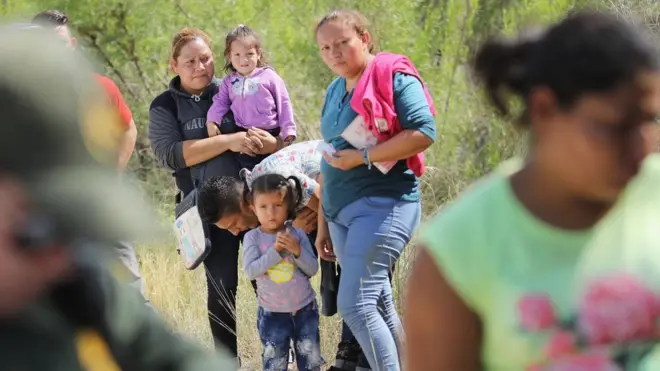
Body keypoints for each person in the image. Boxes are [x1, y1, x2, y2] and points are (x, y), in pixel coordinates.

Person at [405, 11, 660, 371]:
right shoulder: (459, 249)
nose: (641, 149)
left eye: (649, 121)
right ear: (544, 109)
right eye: (615, 127)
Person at [0, 23, 236, 370]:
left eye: (80, 227)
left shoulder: (78, 287)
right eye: (39, 231)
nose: (63, 257)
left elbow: (172, 355)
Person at [148, 27, 281, 358]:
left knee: (268, 281)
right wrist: (227, 141)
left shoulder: (234, 88)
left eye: (205, 58)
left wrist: (273, 142)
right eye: (190, 61)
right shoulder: (164, 105)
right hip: (207, 215)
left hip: (254, 209)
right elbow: (171, 154)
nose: (200, 67)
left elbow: (270, 129)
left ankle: (280, 356)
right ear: (174, 65)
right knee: (222, 289)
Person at [315, 9, 436, 371]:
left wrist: (363, 157)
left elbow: (423, 132)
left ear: (364, 38)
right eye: (325, 47)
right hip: (339, 214)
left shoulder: (392, 76)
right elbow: (330, 154)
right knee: (378, 304)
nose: (334, 53)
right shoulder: (336, 88)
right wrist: (323, 221)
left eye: (342, 43)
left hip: (384, 205)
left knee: (355, 305)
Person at [197, 140, 384, 370]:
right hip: (345, 201)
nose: (236, 232)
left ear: (246, 205)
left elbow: (324, 195)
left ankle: (364, 359)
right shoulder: (263, 196)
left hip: (364, 186)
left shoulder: (273, 180)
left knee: (361, 289)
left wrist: (316, 223)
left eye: (233, 224)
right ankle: (352, 356)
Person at [31, 9, 147, 301]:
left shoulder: (101, 86)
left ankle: (132, 339)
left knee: (129, 287)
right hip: (47, 212)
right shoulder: (23, 95)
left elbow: (128, 130)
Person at [242, 173, 324, 371]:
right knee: (274, 364)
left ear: (288, 206)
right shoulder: (252, 238)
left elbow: (312, 269)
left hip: (304, 310)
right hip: (272, 314)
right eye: (263, 207)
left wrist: (297, 251)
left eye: (277, 205)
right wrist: (276, 253)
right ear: (253, 208)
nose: (271, 213)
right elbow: (251, 271)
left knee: (310, 363)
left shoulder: (297, 233)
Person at [206, 24, 296, 171]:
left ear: (258, 53)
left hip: (270, 133)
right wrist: (212, 121)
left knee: (275, 171)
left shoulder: (269, 77)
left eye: (249, 54)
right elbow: (220, 102)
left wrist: (288, 133)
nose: (244, 60)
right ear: (229, 56)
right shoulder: (229, 82)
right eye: (237, 55)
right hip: (245, 134)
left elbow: (284, 103)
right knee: (248, 172)